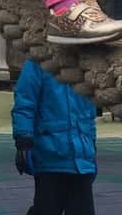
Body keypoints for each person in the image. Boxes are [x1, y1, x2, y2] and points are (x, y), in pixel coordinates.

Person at [12, 58, 97, 215]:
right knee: (46, 209)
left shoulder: (84, 63)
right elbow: (25, 103)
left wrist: (91, 147)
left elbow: (89, 114)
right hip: (51, 156)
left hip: (81, 161)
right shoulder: (39, 62)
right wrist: (23, 138)